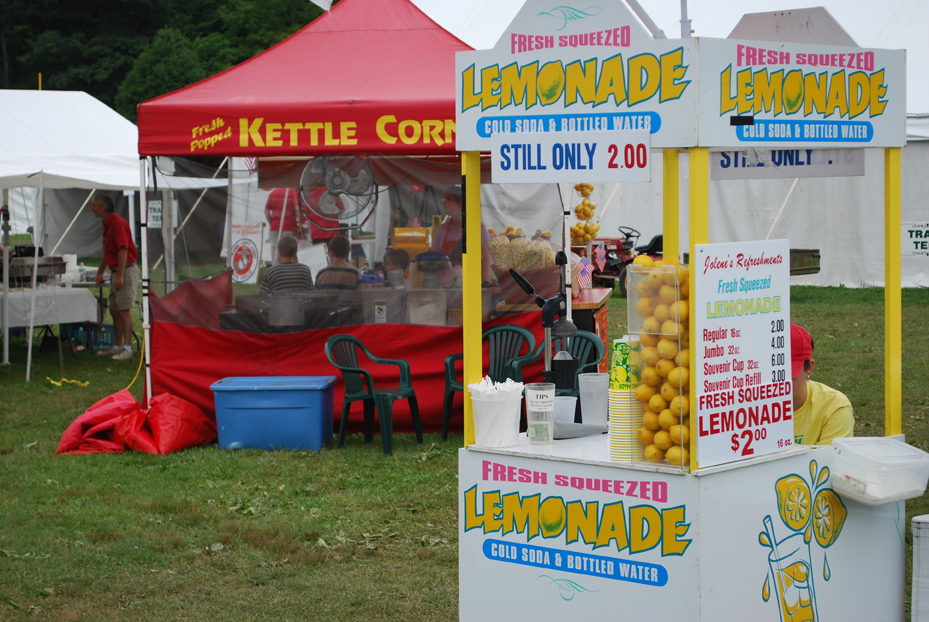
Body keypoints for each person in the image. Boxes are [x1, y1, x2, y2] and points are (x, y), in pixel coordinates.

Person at [90, 194, 139, 361]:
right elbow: (107, 251)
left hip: (125, 270)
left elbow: (123, 250)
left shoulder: (118, 224)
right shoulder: (107, 225)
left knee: (124, 310)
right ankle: (117, 346)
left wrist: (120, 276)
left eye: (94, 205)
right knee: (114, 309)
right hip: (116, 271)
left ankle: (128, 349)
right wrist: (100, 272)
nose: (92, 208)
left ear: (104, 207)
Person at [790, 324, 854, 446]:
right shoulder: (745, 404)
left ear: (809, 368)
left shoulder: (834, 407)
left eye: (788, 377)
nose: (777, 384)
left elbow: (827, 463)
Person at [431, 186, 493, 285]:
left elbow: (487, 258)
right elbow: (435, 259)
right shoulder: (442, 229)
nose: (443, 202)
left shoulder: (477, 227)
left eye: (447, 199)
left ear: (460, 203)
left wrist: (485, 282)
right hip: (447, 287)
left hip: (472, 285)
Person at [264, 187, 301, 262]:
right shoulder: (291, 192)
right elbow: (297, 209)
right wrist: (300, 224)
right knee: (290, 250)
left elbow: (266, 211)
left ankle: (275, 269)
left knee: (275, 249)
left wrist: (271, 223)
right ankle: (290, 269)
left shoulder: (272, 193)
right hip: (289, 227)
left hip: (275, 227)